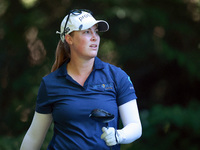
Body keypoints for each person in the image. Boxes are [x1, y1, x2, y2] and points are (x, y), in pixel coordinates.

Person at [20, 9, 142, 150]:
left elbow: (135, 126)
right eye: (86, 32)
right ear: (69, 38)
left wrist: (119, 136)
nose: (95, 37)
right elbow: (34, 136)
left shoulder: (117, 76)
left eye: (96, 31)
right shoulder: (51, 83)